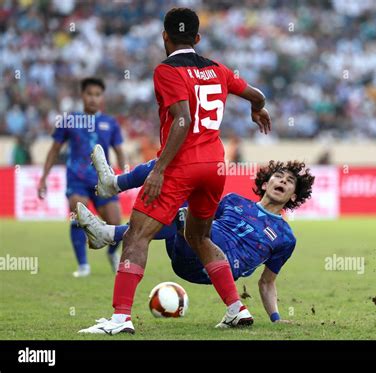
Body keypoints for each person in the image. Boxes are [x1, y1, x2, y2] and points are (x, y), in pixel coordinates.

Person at [78, 8, 271, 334]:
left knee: (137, 235)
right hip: (215, 166)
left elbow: (182, 120)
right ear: (197, 38)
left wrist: (159, 169)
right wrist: (257, 109)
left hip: (183, 165)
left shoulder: (166, 70)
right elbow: (257, 95)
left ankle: (120, 318)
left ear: (164, 36)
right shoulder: (218, 69)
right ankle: (236, 308)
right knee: (199, 236)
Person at [77, 156, 314, 332]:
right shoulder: (233, 201)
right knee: (177, 166)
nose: (282, 181)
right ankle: (115, 195)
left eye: (289, 181)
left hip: (219, 264)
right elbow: (203, 213)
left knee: (181, 215)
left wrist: (275, 318)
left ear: (293, 195)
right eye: (278, 177)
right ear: (265, 183)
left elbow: (267, 282)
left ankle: (108, 232)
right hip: (184, 253)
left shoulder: (285, 237)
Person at [38, 77, 126, 277]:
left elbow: (120, 151)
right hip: (77, 179)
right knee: (79, 213)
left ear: (102, 97)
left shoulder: (110, 123)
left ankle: (112, 253)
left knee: (116, 223)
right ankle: (83, 265)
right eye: (89, 94)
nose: (93, 99)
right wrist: (43, 178)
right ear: (82, 95)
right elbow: (54, 150)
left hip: (104, 181)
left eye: (97, 95)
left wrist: (125, 175)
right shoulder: (69, 120)